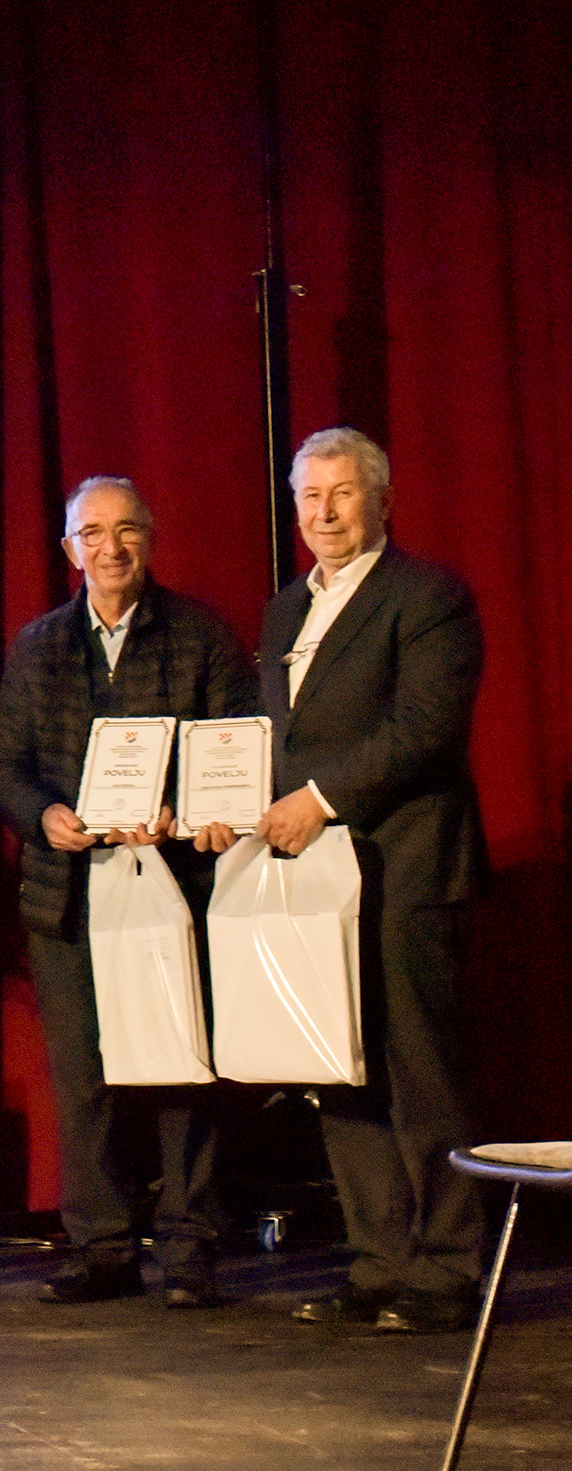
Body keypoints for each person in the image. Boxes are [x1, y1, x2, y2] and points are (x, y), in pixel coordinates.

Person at [196, 428, 486, 1334]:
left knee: (418, 1071)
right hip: (315, 873)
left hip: (405, 866)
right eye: (309, 497)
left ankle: (446, 1270)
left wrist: (317, 800)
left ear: (382, 501)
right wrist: (230, 805)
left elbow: (425, 728)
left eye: (343, 494)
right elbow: (273, 737)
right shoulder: (286, 609)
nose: (324, 514)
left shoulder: (428, 595)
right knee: (337, 1065)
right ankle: (378, 1262)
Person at [0, 479, 253, 1309]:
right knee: (83, 1078)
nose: (111, 547)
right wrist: (44, 816)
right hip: (67, 891)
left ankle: (191, 1247)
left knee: (184, 1069)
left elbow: (237, 746)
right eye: (92, 532)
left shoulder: (200, 632)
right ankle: (101, 1247)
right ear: (70, 549)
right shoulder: (37, 645)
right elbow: (3, 764)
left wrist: (188, 812)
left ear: (150, 538)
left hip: (178, 882)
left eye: (127, 529)